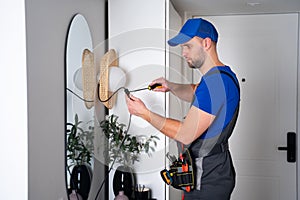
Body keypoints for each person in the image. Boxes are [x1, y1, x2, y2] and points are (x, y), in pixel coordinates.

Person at [125, 18, 240, 200]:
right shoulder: (221, 77)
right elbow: (196, 92)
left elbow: (186, 134)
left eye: (188, 46)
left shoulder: (216, 83)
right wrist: (170, 86)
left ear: (206, 43)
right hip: (212, 172)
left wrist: (144, 113)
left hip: (207, 180)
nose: (184, 53)